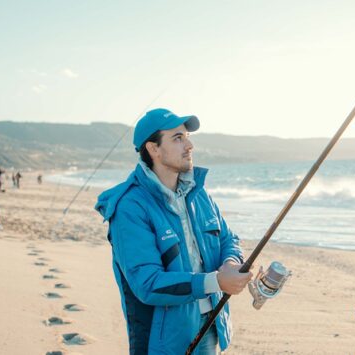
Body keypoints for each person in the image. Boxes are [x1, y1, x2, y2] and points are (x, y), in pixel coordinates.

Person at [95, 108, 250, 354]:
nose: (189, 145)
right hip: (163, 342)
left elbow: (228, 239)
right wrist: (217, 281)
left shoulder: (198, 194)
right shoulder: (130, 207)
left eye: (187, 137)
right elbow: (148, 283)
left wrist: (230, 262)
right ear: (153, 149)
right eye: (178, 138)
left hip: (210, 326)